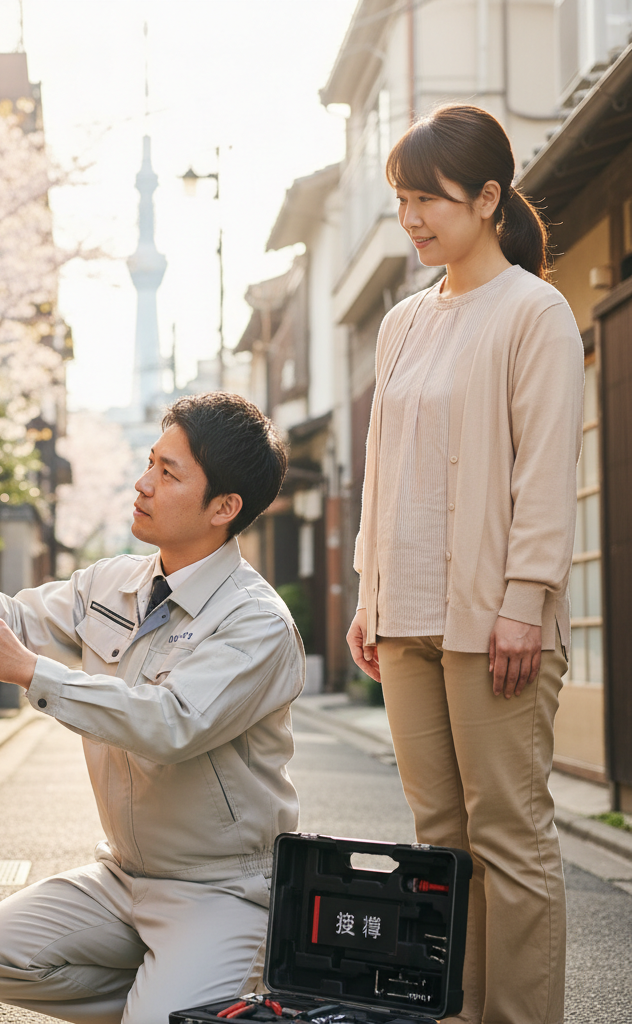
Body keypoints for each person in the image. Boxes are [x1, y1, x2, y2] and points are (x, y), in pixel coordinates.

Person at [0, 392, 304, 1023]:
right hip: (124, 878)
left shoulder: (257, 623)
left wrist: (29, 671)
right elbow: (17, 620)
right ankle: (169, 1003)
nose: (142, 485)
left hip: (223, 891)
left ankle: (211, 996)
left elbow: (171, 722)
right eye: (150, 464)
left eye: (168, 474)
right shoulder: (113, 582)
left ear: (224, 507)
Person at [346, 105, 583, 1024]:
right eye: (400, 198)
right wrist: (369, 594)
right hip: (404, 617)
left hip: (495, 620)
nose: (410, 217)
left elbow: (546, 468)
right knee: (440, 842)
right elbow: (381, 470)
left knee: (509, 839)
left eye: (427, 199)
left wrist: (526, 600)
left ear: (487, 200)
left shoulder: (536, 311)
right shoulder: (403, 322)